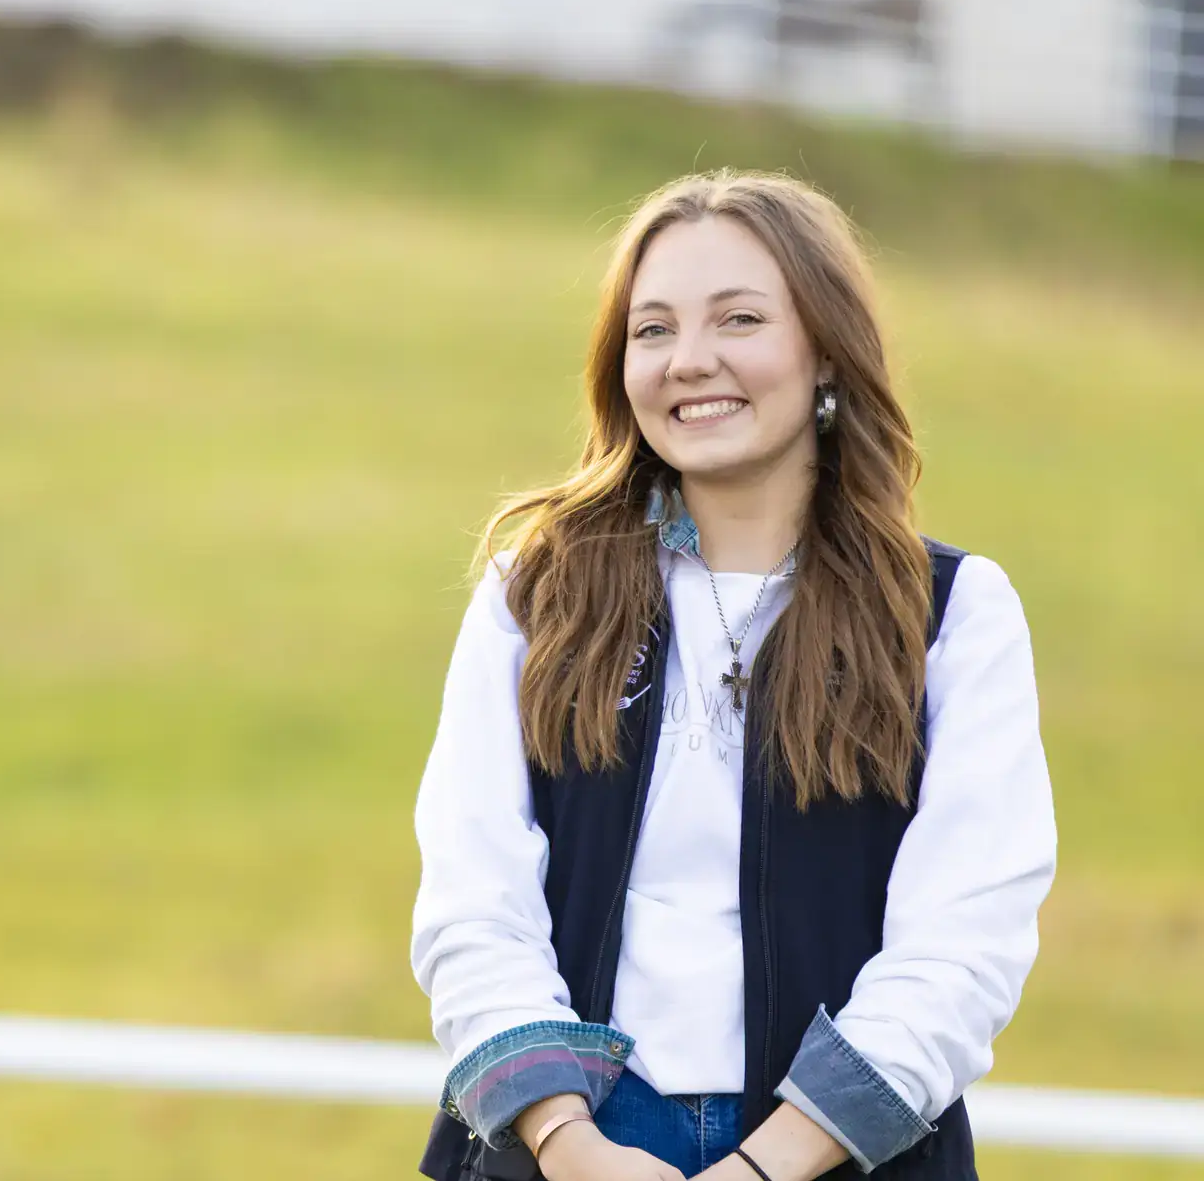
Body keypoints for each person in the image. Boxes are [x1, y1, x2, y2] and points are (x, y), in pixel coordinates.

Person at [408, 170, 1056, 1181]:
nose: (690, 361)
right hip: (565, 1147)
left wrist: (768, 1167)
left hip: (840, 1153)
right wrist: (572, 1147)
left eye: (740, 319)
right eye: (653, 329)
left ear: (827, 351)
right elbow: (471, 901)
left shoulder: (952, 617)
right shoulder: (534, 594)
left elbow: (965, 944)